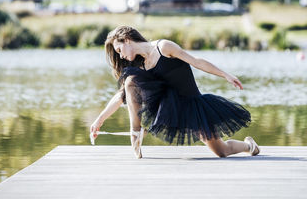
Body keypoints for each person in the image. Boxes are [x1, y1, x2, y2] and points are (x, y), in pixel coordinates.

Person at [90, 26, 260, 159]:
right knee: (129, 82)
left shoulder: (163, 47)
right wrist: (99, 119)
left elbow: (196, 61)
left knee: (221, 151)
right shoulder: (139, 67)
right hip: (167, 110)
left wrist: (225, 75)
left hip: (192, 107)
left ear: (126, 40)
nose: (120, 57)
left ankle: (249, 146)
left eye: (119, 50)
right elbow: (122, 95)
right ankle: (136, 133)